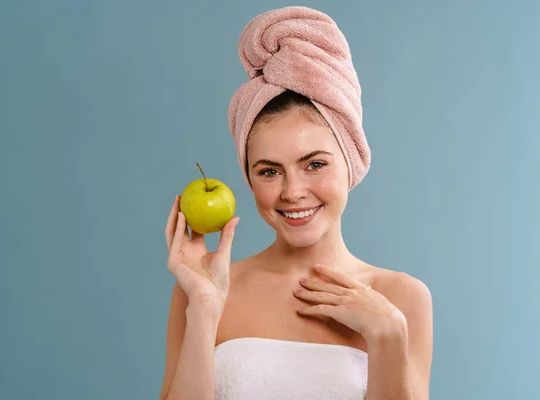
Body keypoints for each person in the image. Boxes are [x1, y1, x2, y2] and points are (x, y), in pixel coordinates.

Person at [159, 6, 433, 400]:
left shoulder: (402, 298)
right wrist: (204, 306)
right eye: (269, 171)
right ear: (250, 180)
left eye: (315, 164)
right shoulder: (201, 288)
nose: (292, 191)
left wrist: (387, 336)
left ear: (350, 163)